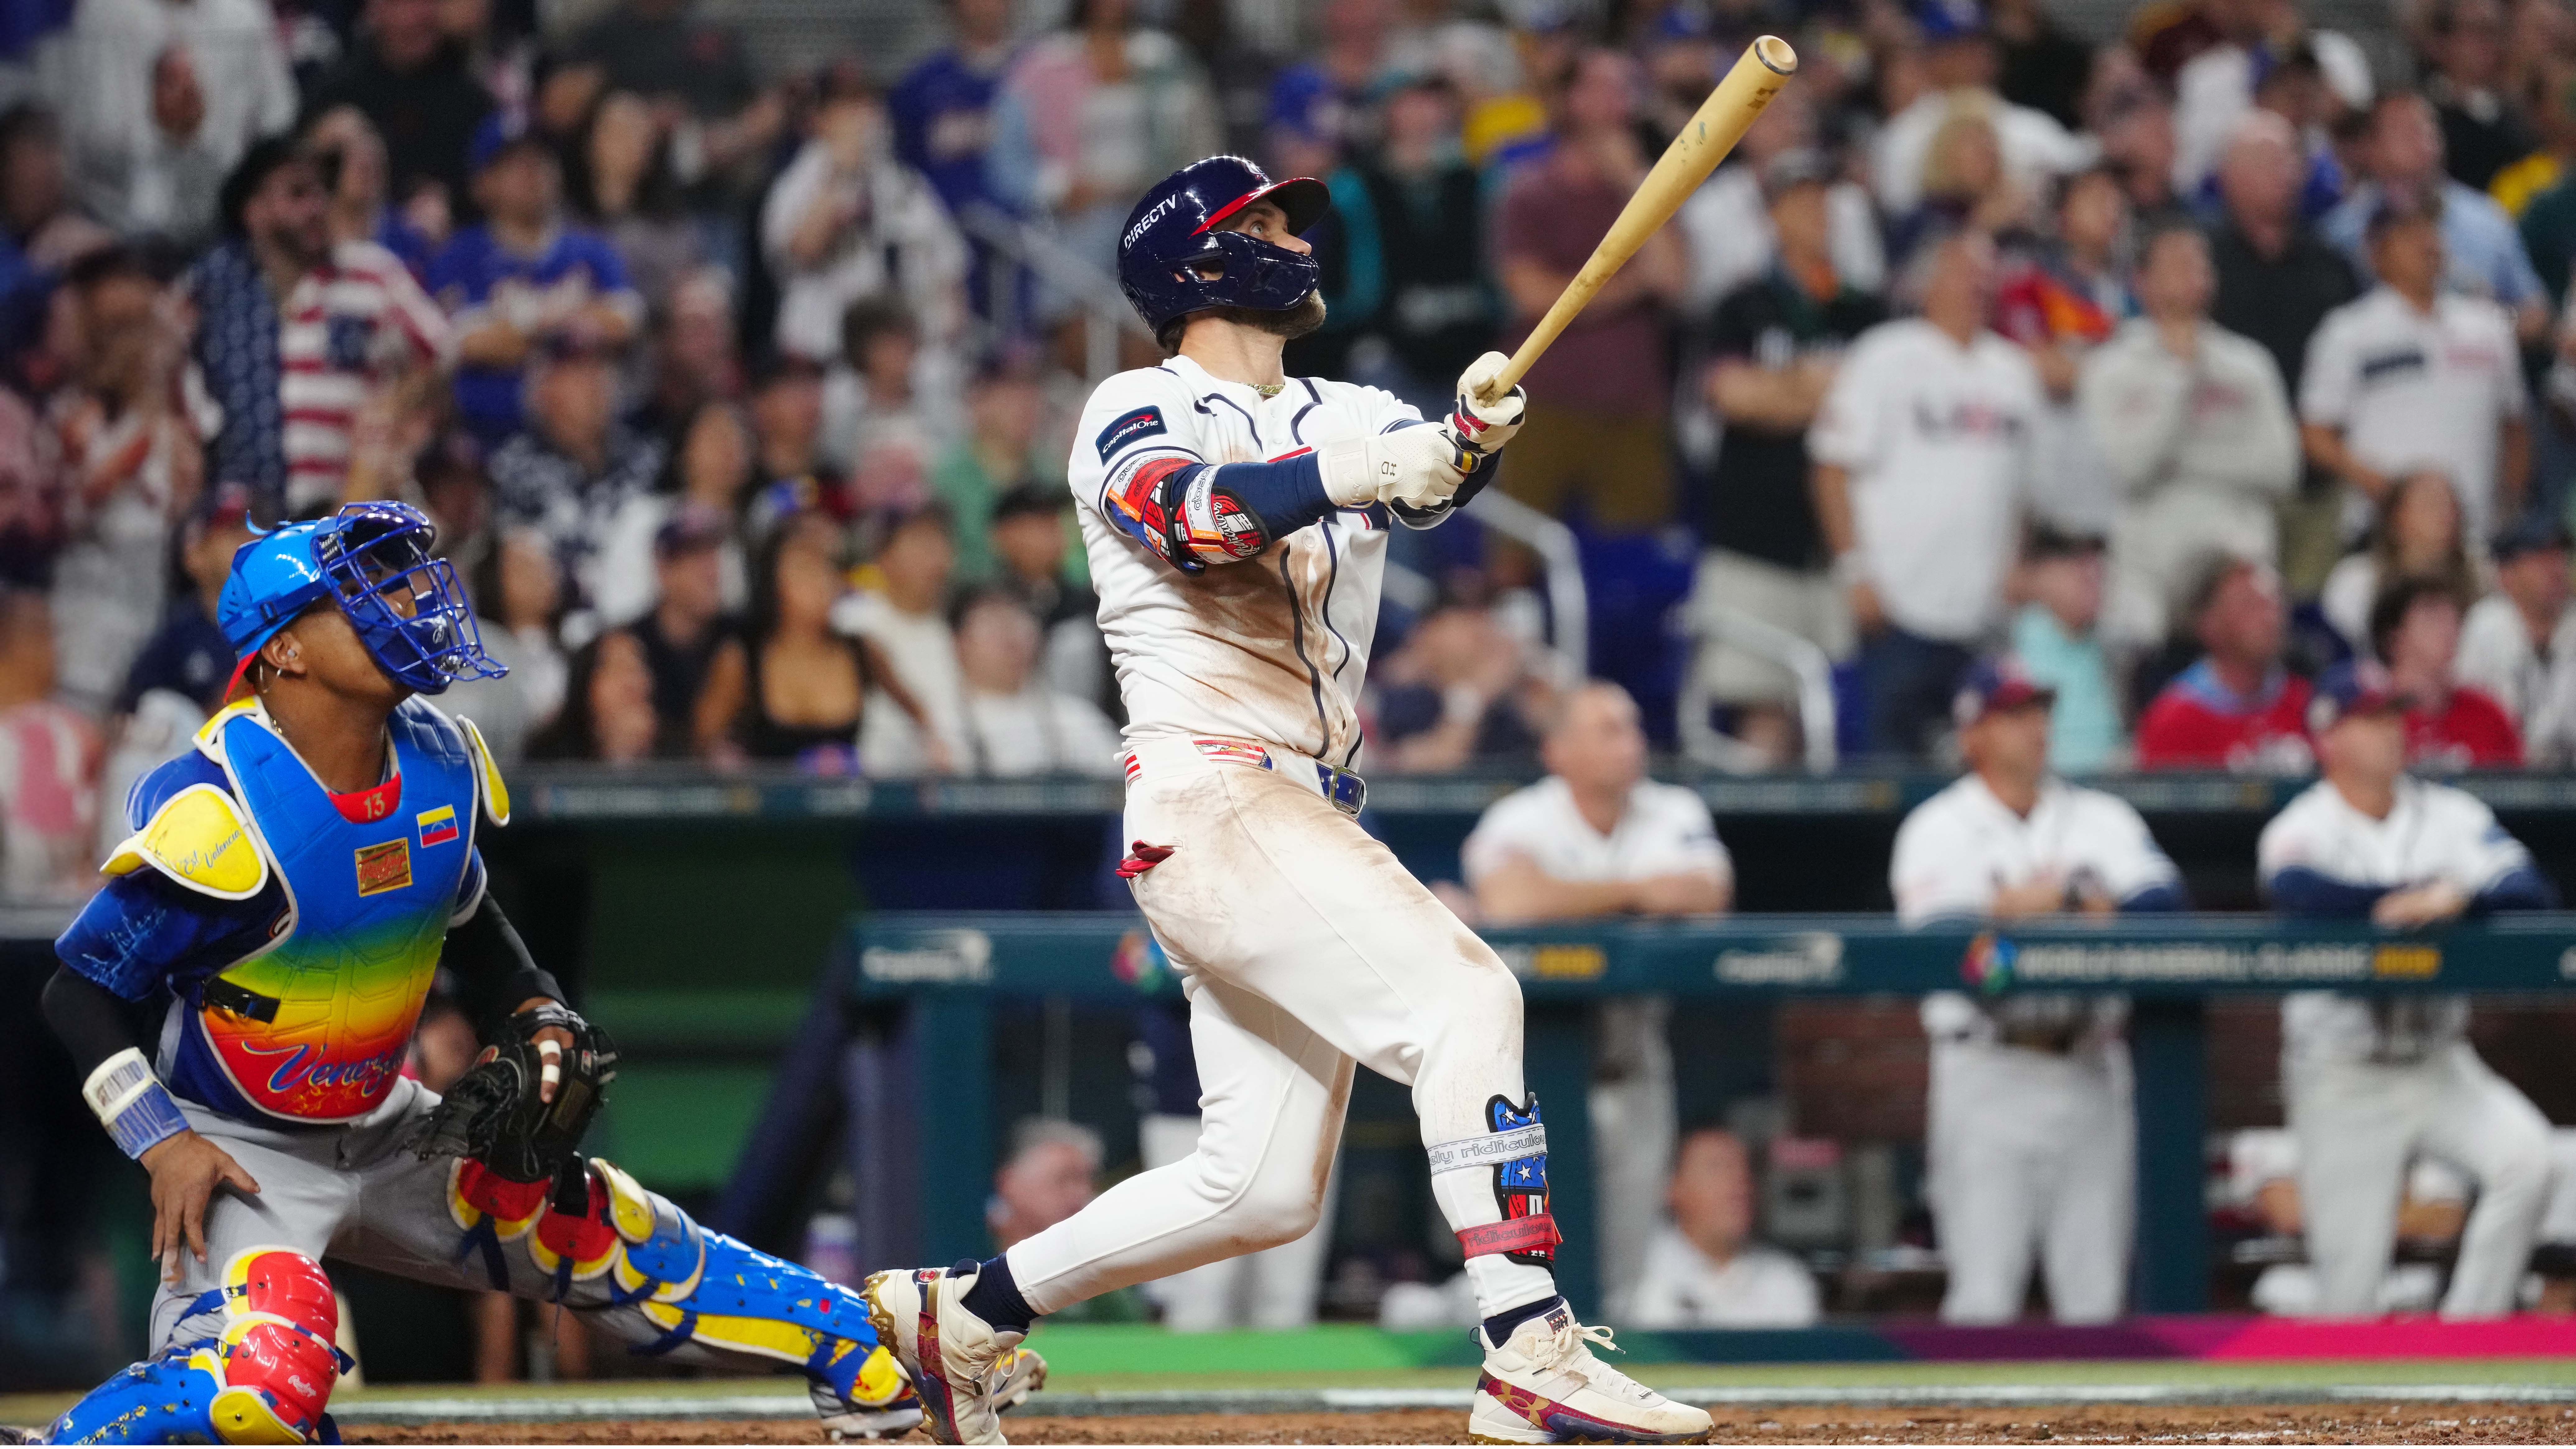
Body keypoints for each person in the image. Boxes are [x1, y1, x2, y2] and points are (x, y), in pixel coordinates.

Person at [855, 155, 1711, 1448]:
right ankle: (1528, 1346)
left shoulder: (1342, 402)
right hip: (1210, 792)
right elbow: (1197, 519)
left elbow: (1422, 472)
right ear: (1192, 264)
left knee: (1255, 1188)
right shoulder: (1135, 403)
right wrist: (1382, 465)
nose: (1291, 241)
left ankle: (968, 1311)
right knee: (1469, 996)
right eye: (1259, 224)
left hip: (1288, 808)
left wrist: (1469, 436)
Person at [22, 501, 1044, 1443]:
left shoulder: (439, 761)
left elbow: (470, 922)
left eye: (401, 579)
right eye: (360, 592)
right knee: (267, 1378)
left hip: (388, 1120)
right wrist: (163, 1142)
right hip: (243, 1149)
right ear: (283, 648)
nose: (407, 600)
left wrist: (537, 1002)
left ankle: (871, 1354)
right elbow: (79, 988)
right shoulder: (225, 810)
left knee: (608, 1227)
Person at [2260, 661, 2559, 1317]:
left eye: (2395, 714)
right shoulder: (2302, 824)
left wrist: (2459, 897)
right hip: (2343, 1074)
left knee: (2529, 1161)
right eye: (2371, 718)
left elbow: (2527, 886)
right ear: (2327, 737)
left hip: (2437, 1061)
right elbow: (2297, 891)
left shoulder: (2449, 812)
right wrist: (2399, 900)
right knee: (2349, 1299)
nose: (2391, 730)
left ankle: (2466, 1337)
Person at [1892, 658, 2186, 1324]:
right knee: (1983, 1300)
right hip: (1988, 1071)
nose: (2035, 728)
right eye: (2014, 715)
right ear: (1972, 735)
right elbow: (1955, 953)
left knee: (2096, 1302)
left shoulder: (2101, 817)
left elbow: (2164, 906)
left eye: (2040, 713)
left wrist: (2026, 905)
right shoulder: (1935, 829)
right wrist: (2075, 904)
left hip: (2090, 1064)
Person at [1461, 680, 1731, 1303]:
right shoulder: (1520, 816)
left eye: (1632, 727)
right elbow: (1510, 900)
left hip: (1635, 1066)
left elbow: (1706, 893)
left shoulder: (1676, 809)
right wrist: (1635, 893)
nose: (1631, 743)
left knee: (1627, 1277)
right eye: (1609, 730)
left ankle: (1611, 1391)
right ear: (1559, 750)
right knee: (1530, 1268)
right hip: (1535, 1083)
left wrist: (1572, 897)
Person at [1686, 149, 1885, 769]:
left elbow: (1876, 408)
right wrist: (1821, 389)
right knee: (1761, 706)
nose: (1815, 213)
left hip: (1842, 542)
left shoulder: (1863, 309)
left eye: (1823, 200)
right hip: (1756, 531)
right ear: (1771, 215)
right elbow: (1730, 395)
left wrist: (1787, 389)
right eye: (1798, 200)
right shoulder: (1742, 304)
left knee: (1840, 712)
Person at [1811, 230, 2042, 759]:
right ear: (1929, 282)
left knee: (1980, 770)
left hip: (1981, 616)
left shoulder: (2014, 371)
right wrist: (1854, 570)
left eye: (1987, 273)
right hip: (1897, 605)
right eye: (1965, 269)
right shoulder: (1886, 356)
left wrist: (2016, 562)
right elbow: (1830, 467)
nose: (1978, 283)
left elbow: (2021, 489)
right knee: (1886, 770)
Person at [190, 137, 447, 523]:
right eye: (297, 194)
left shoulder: (369, 272)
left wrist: (395, 407)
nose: (317, 207)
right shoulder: (218, 292)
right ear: (254, 212)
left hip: (348, 511)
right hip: (246, 521)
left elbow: (443, 352)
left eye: (321, 192)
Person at [1489, 48, 1685, 531]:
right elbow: (1534, 296)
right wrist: (1634, 283)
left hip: (1634, 398)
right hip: (1540, 401)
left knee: (1633, 557)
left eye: (1626, 89)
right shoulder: (1530, 190)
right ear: (1571, 98)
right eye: (1603, 87)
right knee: (1519, 554)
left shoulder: (1648, 187)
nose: (1619, 101)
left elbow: (1675, 279)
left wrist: (1635, 184)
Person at [2083, 221, 2300, 652]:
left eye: (2201, 263)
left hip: (2239, 565)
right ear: (2142, 282)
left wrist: (2178, 461)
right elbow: (2126, 470)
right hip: (2149, 575)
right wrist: (2180, 376)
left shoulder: (2248, 363)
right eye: (2178, 263)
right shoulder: (2110, 368)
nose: (2194, 272)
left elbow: (2281, 470)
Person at [2302, 196, 2529, 553]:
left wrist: (2510, 504)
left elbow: (2515, 424)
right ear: (2375, 254)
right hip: (2381, 533)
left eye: (2434, 233)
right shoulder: (2348, 331)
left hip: (2475, 534)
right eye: (2410, 235)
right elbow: (2316, 433)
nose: (2428, 245)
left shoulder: (2489, 326)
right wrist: (2386, 489)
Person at [47, 245, 214, 716]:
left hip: (150, 611)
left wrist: (161, 403)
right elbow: (74, 505)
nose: (125, 346)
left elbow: (185, 499)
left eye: (135, 330)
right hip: (82, 616)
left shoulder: (175, 409)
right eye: (112, 331)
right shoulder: (76, 413)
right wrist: (144, 423)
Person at [428, 116, 642, 447]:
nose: (532, 172)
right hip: (487, 443)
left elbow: (624, 324)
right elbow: (466, 344)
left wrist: (523, 323)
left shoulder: (592, 249)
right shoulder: (458, 257)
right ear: (482, 184)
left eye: (541, 159)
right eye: (513, 164)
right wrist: (571, 323)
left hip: (589, 443)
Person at [40, 0, 296, 241]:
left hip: (223, 227)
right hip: (112, 231)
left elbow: (277, 121)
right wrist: (163, 132)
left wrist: (195, 136)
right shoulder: (105, 12)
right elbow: (78, 137)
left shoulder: (244, 12)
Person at [760, 72, 966, 368]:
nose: (865, 115)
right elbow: (802, 250)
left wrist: (938, 346)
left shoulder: (904, 182)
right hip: (823, 358)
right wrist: (840, 175)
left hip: (901, 363)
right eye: (850, 105)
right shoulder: (798, 182)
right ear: (819, 119)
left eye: (869, 102)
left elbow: (949, 271)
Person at [696, 526, 931, 774]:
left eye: (828, 569)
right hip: (767, 807)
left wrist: (933, 748)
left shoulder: (861, 650)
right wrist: (725, 759)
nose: (821, 583)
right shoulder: (743, 656)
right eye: (805, 570)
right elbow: (705, 736)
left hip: (848, 804)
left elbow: (920, 715)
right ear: (774, 582)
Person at [2321, 94, 2548, 334]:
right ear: (2371, 148)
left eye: (2429, 127)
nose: (2423, 139)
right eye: (2406, 131)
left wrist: (2486, 326)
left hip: (2474, 360)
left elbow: (2534, 310)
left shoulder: (2487, 218)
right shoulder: (2341, 233)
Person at [486, 335, 667, 620]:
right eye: (578, 375)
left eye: (601, 370)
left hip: (644, 624)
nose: (595, 384)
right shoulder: (512, 468)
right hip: (557, 627)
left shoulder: (648, 458)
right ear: (544, 391)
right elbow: (517, 567)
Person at [1868, 0, 2095, 218]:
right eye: (1955, 47)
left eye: (1978, 44)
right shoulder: (1904, 136)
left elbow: (2084, 167)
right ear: (1930, 56)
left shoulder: (2026, 124)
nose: (1970, 57)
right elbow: (1897, 221)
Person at [298, 0, 496, 216]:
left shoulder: (472, 101)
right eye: (397, 4)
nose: (412, 18)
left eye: (424, 4)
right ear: (374, 10)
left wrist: (451, 204)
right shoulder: (336, 95)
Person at [1617, 1127, 1820, 1329]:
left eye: (1744, 1167)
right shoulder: (1631, 1275)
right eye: (1717, 1167)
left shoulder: (1785, 1280)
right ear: (1671, 1187)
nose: (1738, 1182)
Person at [2135, 556, 2315, 771]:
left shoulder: (2307, 703)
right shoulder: (2173, 720)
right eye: (2249, 605)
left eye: (2273, 602)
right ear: (2208, 623)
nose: (2270, 617)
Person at [2318, 469, 2484, 662]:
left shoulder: (2479, 575)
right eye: (2431, 504)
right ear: (2397, 516)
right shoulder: (2357, 579)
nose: (2446, 514)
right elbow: (2338, 650)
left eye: (2452, 506)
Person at [953, 590, 1120, 777]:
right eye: (995, 632)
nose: (1011, 643)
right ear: (961, 644)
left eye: (1018, 627)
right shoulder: (945, 724)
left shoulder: (1076, 718)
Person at [2456, 516, 2576, 760]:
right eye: (2538, 559)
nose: (2553, 568)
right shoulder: (2485, 625)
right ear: (2505, 574)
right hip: (2500, 773)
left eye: (2558, 556)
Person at [2372, 576, 2523, 767]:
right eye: (2433, 619)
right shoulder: (2369, 720)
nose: (2448, 630)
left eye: (2453, 619)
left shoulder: (2488, 715)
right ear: (2394, 639)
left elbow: (2520, 790)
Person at [2009, 530, 2123, 772]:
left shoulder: (2114, 652)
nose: (2094, 583)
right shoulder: (2007, 647)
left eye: (2099, 574)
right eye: (2081, 572)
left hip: (2107, 787)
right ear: (2043, 574)